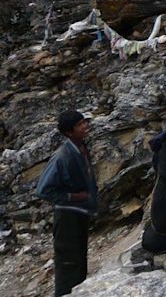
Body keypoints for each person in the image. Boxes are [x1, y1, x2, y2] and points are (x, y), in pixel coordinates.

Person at [35, 110, 98, 296]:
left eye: (85, 122)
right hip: (67, 216)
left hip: (80, 212)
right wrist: (74, 197)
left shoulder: (81, 147)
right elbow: (43, 190)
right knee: (68, 262)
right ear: (69, 132)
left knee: (79, 258)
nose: (85, 126)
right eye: (80, 125)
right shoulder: (62, 156)